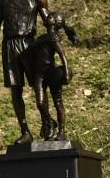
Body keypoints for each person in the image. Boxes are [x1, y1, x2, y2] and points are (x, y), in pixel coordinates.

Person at [0, 0, 50, 144]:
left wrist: (55, 33)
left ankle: (47, 123)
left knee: (38, 84)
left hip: (29, 44)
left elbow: (48, 21)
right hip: (10, 45)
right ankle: (25, 130)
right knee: (16, 89)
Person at [26, 11, 79, 142]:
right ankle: (49, 121)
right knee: (40, 103)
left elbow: (62, 55)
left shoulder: (53, 38)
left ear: (55, 23)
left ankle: (61, 131)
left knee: (58, 102)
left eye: (51, 17)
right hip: (39, 75)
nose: (47, 17)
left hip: (50, 73)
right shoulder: (43, 37)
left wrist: (66, 72)